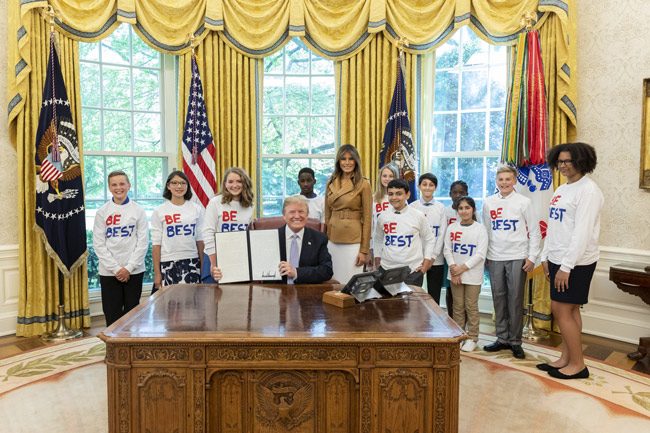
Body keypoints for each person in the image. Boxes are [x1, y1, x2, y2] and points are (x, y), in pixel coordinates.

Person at [538, 142, 604, 380]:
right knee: (570, 309)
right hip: (557, 256)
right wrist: (545, 256)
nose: (563, 166)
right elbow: (554, 226)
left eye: (568, 161)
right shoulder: (561, 190)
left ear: (582, 161)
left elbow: (582, 233)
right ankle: (566, 358)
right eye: (560, 161)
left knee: (562, 309)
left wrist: (566, 266)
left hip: (577, 261)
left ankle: (578, 364)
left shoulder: (589, 191)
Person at [482, 165, 541, 359]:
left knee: (515, 299)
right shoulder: (488, 202)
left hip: (517, 256)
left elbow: (534, 231)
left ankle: (515, 341)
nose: (504, 183)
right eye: (501, 179)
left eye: (508, 179)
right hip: (495, 256)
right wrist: (485, 256)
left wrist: (532, 257)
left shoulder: (524, 202)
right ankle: (502, 338)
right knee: (498, 298)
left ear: (514, 181)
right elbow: (486, 232)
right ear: (496, 181)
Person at [212, 195, 333, 283]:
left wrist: (296, 272)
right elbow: (249, 265)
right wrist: (223, 272)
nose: (297, 216)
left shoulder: (319, 238)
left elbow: (327, 270)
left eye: (301, 212)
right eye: (292, 212)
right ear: (284, 216)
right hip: (276, 296)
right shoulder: (268, 238)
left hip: (307, 296)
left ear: (307, 215)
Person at [92, 170, 148, 326]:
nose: (119, 188)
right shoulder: (102, 212)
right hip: (109, 272)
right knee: (112, 313)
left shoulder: (139, 210)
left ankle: (131, 347)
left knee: (133, 313)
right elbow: (98, 243)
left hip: (134, 270)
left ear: (129, 185)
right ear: (109, 187)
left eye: (122, 183)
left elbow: (143, 242)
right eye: (114, 184)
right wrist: (116, 269)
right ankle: (113, 349)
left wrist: (128, 268)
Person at [444, 196, 488, 352]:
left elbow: (480, 254)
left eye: (467, 208)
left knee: (471, 306)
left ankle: (473, 337)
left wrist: (462, 268)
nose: (464, 211)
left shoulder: (480, 229)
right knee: (457, 307)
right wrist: (453, 268)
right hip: (455, 274)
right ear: (457, 210)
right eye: (461, 208)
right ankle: (460, 335)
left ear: (473, 209)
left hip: (472, 275)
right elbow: (447, 250)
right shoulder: (452, 228)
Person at [324, 144, 372, 283]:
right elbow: (327, 214)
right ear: (338, 162)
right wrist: (325, 240)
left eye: (351, 159)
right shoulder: (331, 182)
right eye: (343, 159)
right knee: (333, 283)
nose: (347, 162)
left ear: (356, 161)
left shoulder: (363, 184)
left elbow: (368, 218)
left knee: (350, 284)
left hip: (353, 240)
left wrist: (364, 250)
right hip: (332, 238)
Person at [373, 179, 435, 287]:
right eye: (391, 194)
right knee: (387, 303)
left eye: (399, 194)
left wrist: (425, 266)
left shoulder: (418, 215)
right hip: (386, 269)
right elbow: (378, 238)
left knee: (409, 304)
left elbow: (429, 239)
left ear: (407, 195)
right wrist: (377, 260)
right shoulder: (382, 216)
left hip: (412, 271)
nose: (394, 197)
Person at [150, 171, 204, 293]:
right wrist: (157, 273)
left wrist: (203, 267)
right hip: (168, 263)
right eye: (174, 183)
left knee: (193, 305)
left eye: (182, 183)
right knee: (172, 307)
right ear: (168, 186)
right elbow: (156, 245)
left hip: (192, 261)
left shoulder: (196, 209)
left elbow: (200, 240)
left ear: (187, 186)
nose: (179, 186)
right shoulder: (159, 211)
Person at [203, 167, 255, 283]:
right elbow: (208, 233)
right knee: (213, 298)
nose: (234, 185)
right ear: (225, 184)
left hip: (237, 257)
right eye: (230, 182)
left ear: (245, 183)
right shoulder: (216, 202)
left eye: (239, 181)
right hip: (214, 255)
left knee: (237, 298)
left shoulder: (250, 205)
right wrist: (214, 263)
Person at [411, 173, 447, 303]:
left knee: (434, 293)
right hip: (417, 257)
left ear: (435, 187)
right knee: (413, 292)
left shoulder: (441, 208)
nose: (427, 188)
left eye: (431, 185)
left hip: (436, 258)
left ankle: (434, 322)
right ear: (419, 186)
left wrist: (433, 256)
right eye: (424, 184)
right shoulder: (412, 207)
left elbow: (442, 233)